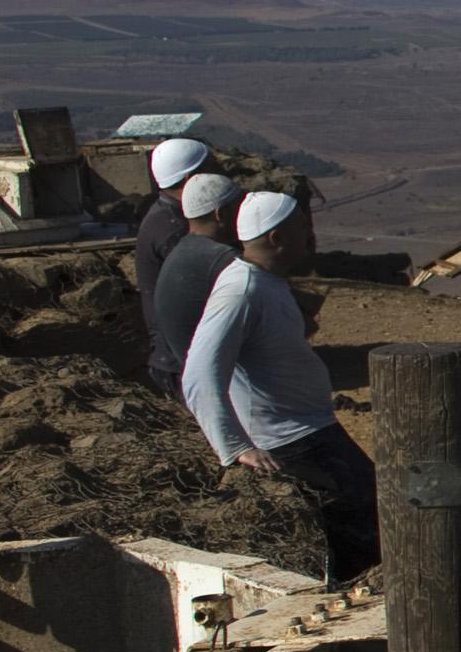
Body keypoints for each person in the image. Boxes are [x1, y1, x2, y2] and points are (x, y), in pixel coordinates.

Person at [180, 188, 380, 582]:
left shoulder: (263, 281)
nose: (310, 234)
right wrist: (235, 446)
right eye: (302, 226)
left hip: (309, 427)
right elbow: (199, 373)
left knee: (364, 508)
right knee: (356, 518)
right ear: (276, 237)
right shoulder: (242, 291)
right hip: (289, 439)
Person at [145, 171, 238, 397]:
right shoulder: (218, 260)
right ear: (221, 214)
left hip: (178, 362)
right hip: (191, 370)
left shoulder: (185, 245)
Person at [131, 135, 211, 340]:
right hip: (182, 352)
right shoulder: (172, 230)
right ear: (190, 180)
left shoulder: (167, 216)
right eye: (211, 172)